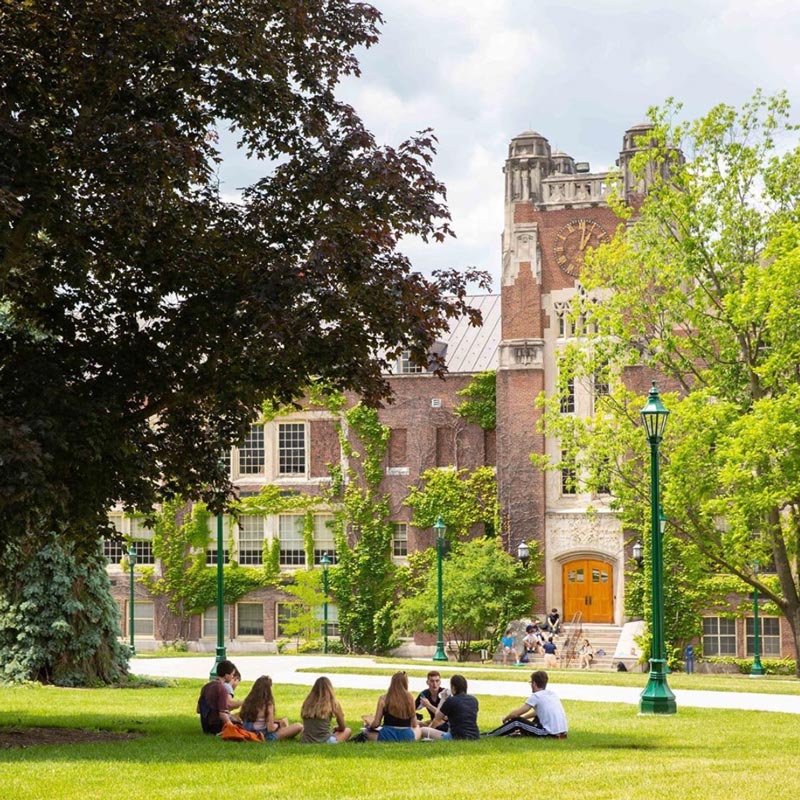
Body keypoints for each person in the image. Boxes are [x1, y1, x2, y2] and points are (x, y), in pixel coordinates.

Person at [487, 670, 568, 738]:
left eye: (531, 682)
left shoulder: (536, 696)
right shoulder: (551, 694)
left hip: (548, 733)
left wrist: (506, 719)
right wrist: (524, 719)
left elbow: (516, 714)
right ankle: (520, 733)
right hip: (562, 733)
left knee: (516, 722)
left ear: (534, 683)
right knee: (527, 720)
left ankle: (491, 735)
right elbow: (539, 712)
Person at [239, 675, 303, 741]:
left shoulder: (248, 701)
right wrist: (277, 725)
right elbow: (270, 729)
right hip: (264, 736)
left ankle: (286, 733)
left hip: (248, 733)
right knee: (299, 726)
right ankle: (287, 734)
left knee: (284, 720)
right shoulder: (268, 704)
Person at [420, 674, 480, 740]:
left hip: (456, 736)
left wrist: (442, 699)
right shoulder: (474, 700)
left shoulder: (451, 700)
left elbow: (437, 718)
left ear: (453, 688)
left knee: (423, 730)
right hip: (475, 736)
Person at [365, 671, 421, 742]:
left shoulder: (383, 698)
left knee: (366, 732)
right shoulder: (410, 698)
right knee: (418, 728)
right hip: (406, 735)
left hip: (387, 735)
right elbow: (414, 724)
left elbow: (376, 723)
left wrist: (369, 725)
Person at [300, 677, 352, 743]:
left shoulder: (307, 702)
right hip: (325, 741)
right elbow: (342, 727)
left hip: (306, 740)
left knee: (304, 729)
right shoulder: (333, 703)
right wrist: (338, 728)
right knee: (348, 730)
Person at [197, 659, 237, 734]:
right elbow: (222, 714)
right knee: (243, 725)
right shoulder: (222, 689)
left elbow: (198, 709)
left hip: (205, 727)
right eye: (232, 674)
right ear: (226, 675)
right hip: (217, 727)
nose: (232, 677)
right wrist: (232, 727)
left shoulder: (206, 687)